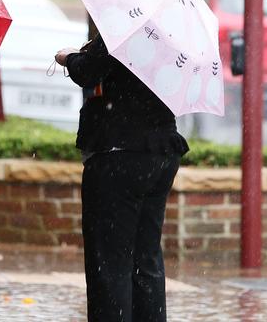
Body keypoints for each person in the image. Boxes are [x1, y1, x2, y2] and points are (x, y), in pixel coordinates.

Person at [55, 35, 188, 322]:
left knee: (109, 263)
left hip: (120, 154)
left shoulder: (127, 25)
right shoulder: (174, 34)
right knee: (146, 259)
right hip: (161, 152)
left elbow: (88, 70)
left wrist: (69, 57)